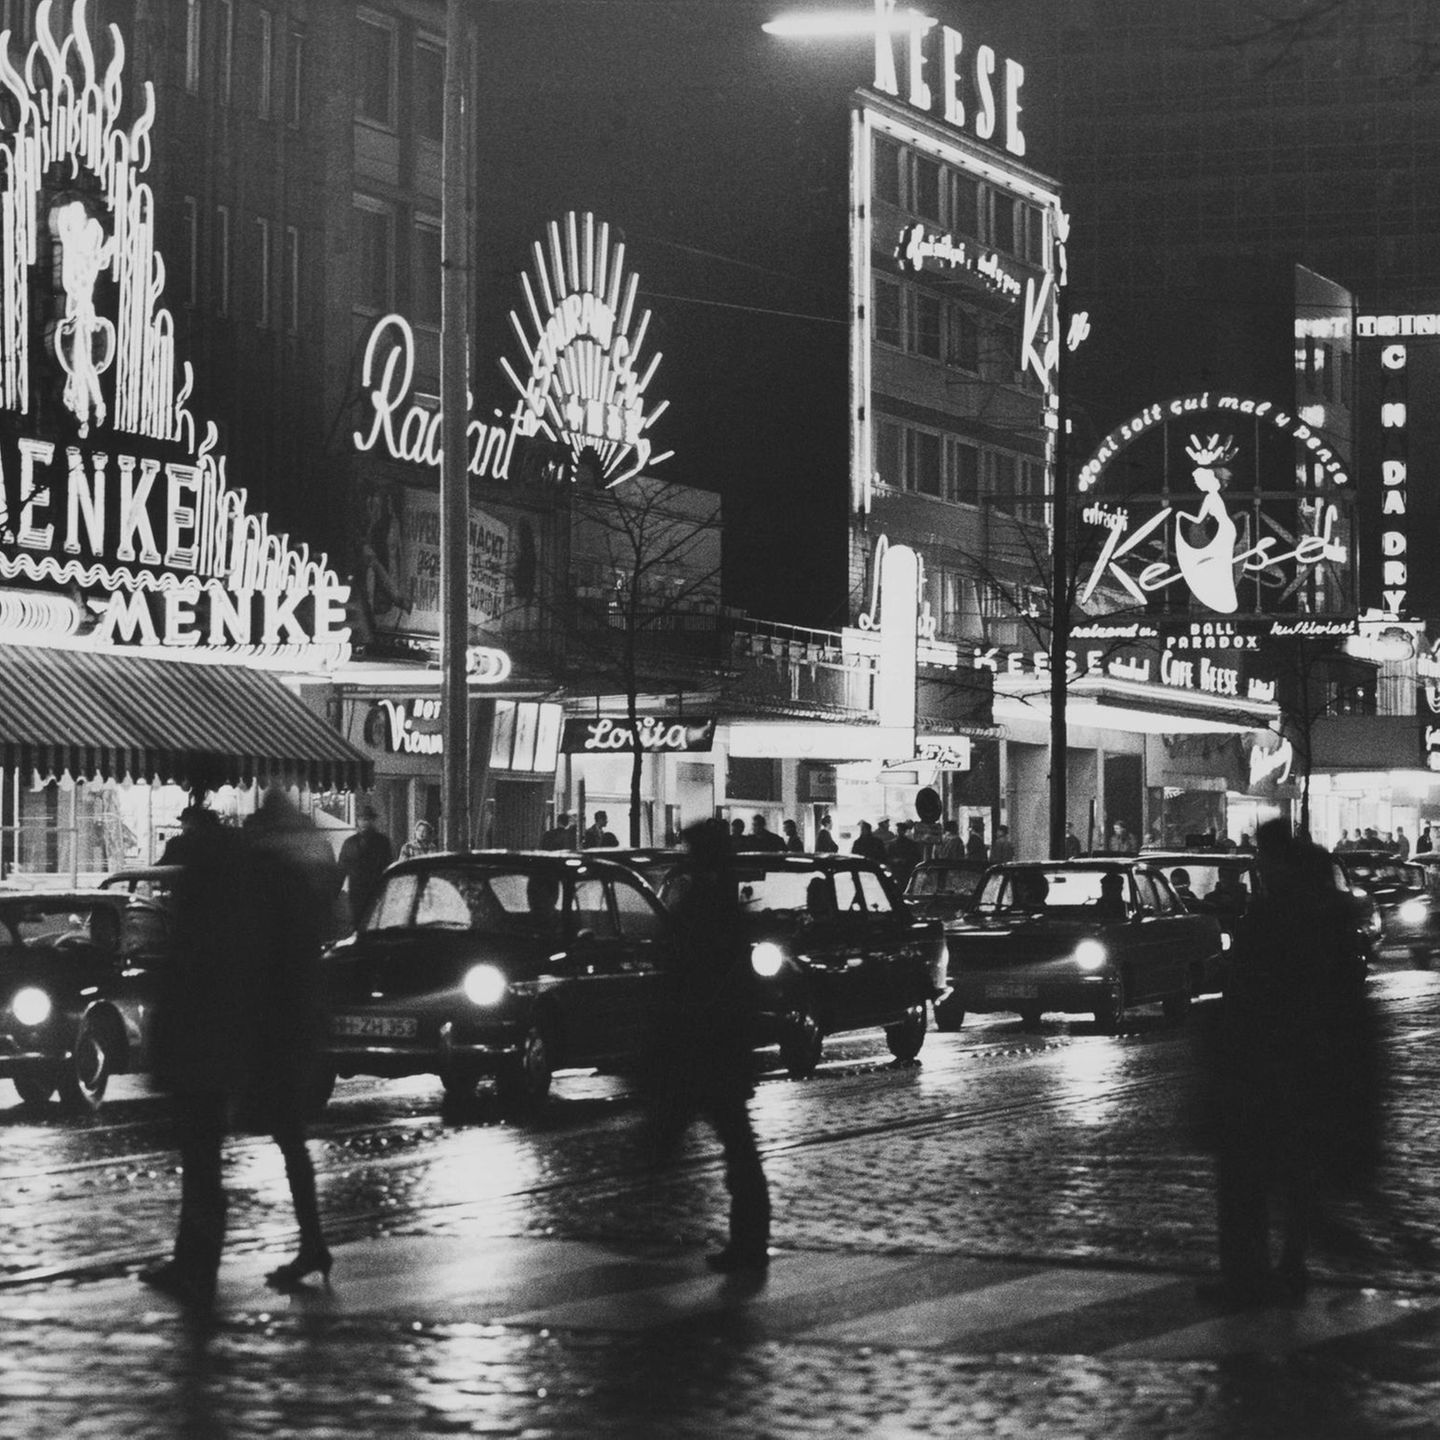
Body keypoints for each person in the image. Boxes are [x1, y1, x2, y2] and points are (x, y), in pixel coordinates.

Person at [141, 792, 332, 1308]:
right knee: (278, 1139)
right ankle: (303, 1244)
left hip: (259, 1032)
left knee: (210, 1147)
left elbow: (240, 964)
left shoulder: (254, 885)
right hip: (271, 1031)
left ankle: (199, 1261)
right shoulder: (281, 881)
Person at [1204, 819, 1377, 1306]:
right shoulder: (1327, 917)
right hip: (1308, 1062)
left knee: (1248, 1176)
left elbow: (1254, 992)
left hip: (1268, 1063)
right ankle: (1290, 1262)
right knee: (1294, 1170)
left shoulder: (1277, 916)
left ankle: (1252, 1274)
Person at [644, 818, 770, 1275]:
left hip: (704, 1042)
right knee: (729, 1143)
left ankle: (651, 1231)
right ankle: (746, 1238)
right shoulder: (720, 899)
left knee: (690, 1140)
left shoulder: (707, 902)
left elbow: (691, 968)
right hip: (714, 1044)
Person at [339, 805, 393, 926]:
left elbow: (388, 866)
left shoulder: (382, 842)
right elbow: (341, 869)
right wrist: (334, 892)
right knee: (357, 924)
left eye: (367, 819)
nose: (364, 822)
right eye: (361, 819)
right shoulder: (350, 843)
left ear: (373, 821)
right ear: (357, 821)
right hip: (356, 892)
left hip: (376, 891)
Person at [888, 821, 922, 887]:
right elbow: (888, 857)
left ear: (903, 831)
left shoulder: (911, 844)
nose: (898, 832)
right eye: (898, 830)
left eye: (899, 830)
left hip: (905, 871)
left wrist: (905, 860)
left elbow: (916, 857)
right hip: (898, 871)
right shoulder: (893, 844)